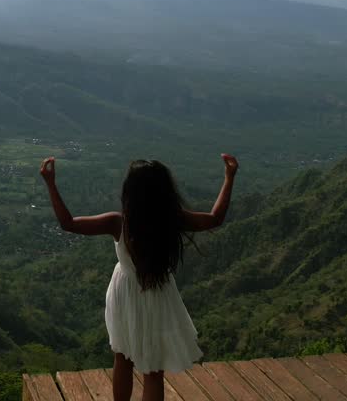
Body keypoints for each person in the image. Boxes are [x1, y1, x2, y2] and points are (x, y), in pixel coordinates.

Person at [39, 153, 238, 401]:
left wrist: (50, 183)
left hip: (124, 293)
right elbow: (215, 218)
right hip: (157, 294)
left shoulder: (118, 223)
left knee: (122, 358)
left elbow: (68, 223)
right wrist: (229, 177)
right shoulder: (173, 220)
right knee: (153, 370)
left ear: (130, 192)